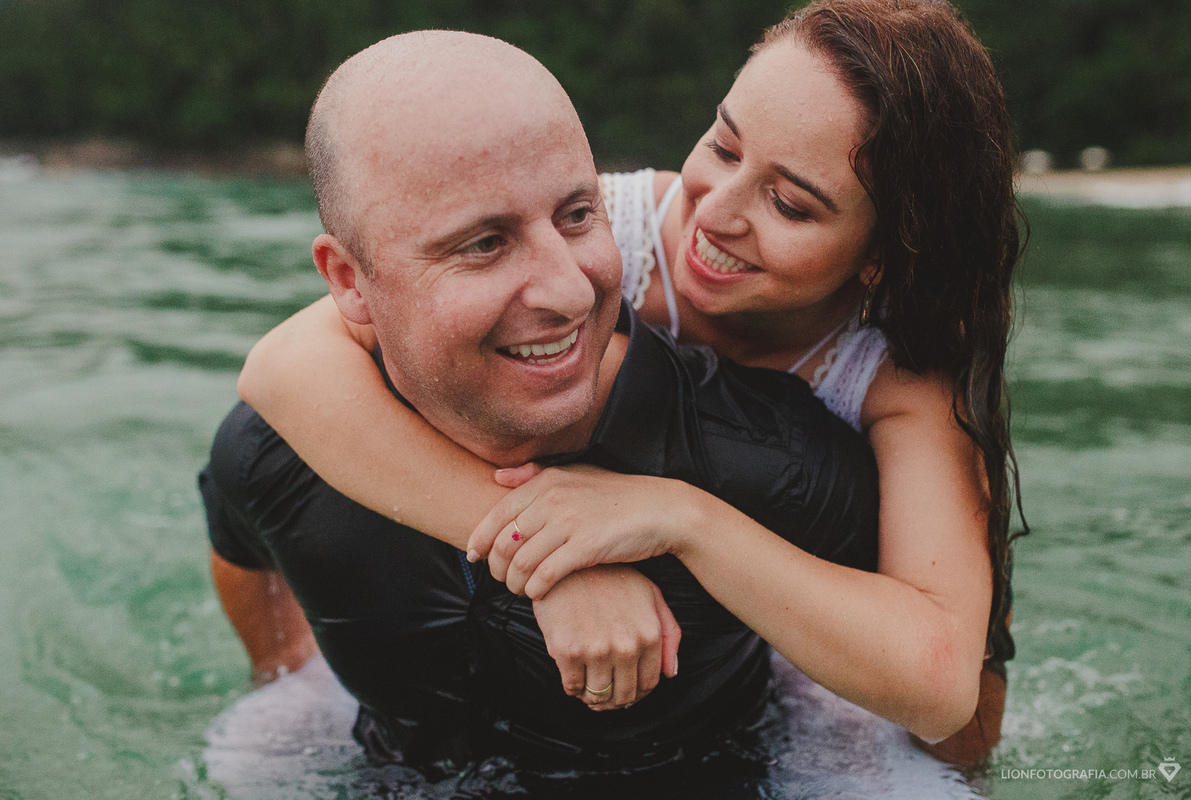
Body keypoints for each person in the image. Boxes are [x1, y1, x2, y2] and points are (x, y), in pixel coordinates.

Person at [239, 0, 1026, 765]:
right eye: (723, 146)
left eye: (788, 203)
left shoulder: (901, 370)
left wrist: (680, 518)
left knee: (960, 757)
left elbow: (940, 687)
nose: (715, 212)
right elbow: (281, 367)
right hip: (619, 638)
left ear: (881, 254)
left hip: (813, 625)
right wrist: (547, 555)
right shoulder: (605, 231)